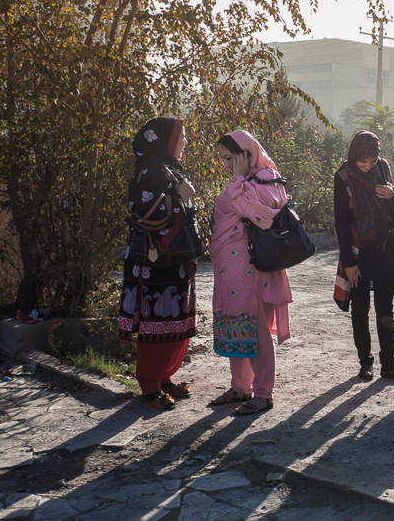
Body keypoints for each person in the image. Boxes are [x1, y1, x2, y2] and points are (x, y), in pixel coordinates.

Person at [208, 131, 293, 415]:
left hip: (253, 269)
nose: (227, 164)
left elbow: (262, 216)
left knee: (254, 329)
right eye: (223, 159)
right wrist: (239, 180)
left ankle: (264, 392)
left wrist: (240, 179)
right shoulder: (244, 181)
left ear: (247, 153)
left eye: (230, 158)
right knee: (235, 325)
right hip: (229, 271)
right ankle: (241, 386)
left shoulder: (267, 179)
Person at [119, 117, 198, 410]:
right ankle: (150, 385)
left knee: (173, 320)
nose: (185, 143)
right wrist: (180, 196)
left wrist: (180, 195)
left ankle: (164, 378)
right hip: (153, 262)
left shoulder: (165, 168)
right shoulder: (150, 171)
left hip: (172, 260)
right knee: (157, 322)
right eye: (181, 137)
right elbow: (147, 215)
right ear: (163, 141)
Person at [332, 131, 394, 383]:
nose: (367, 166)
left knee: (385, 310)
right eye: (362, 161)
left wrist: (393, 195)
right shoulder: (343, 177)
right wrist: (349, 263)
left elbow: (391, 204)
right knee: (360, 309)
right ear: (354, 154)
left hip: (385, 247)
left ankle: (389, 365)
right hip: (359, 252)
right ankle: (365, 363)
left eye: (372, 160)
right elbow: (341, 223)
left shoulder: (383, 167)